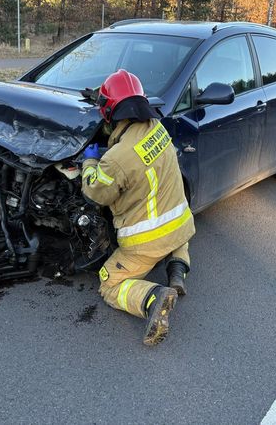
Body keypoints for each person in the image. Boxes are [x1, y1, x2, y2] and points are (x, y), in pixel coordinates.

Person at [81, 69, 195, 346]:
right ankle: (177, 268)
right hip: (181, 225)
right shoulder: (157, 128)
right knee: (175, 239)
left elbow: (95, 193)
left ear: (109, 111)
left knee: (109, 284)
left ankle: (152, 299)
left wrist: (90, 163)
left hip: (146, 242)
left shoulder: (117, 158)